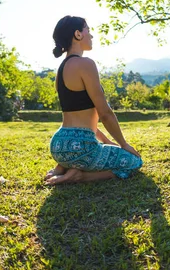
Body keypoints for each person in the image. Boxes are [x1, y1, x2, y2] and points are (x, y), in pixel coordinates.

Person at [45, 15, 143, 185]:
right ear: (78, 34)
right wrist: (124, 144)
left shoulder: (61, 69)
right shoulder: (85, 64)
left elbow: (82, 116)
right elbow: (104, 113)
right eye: (88, 30)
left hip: (59, 146)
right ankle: (80, 176)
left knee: (99, 152)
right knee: (134, 163)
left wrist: (107, 141)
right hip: (81, 146)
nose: (91, 36)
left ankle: (64, 166)